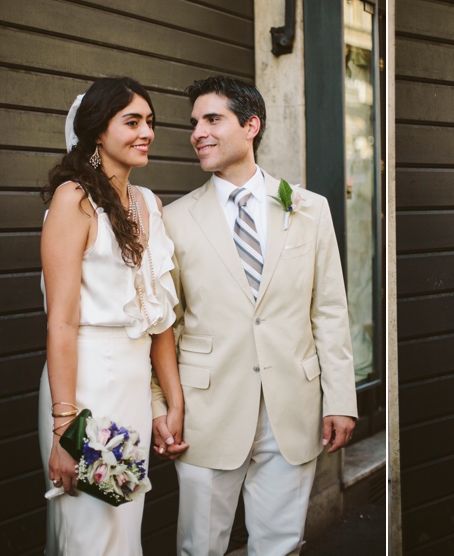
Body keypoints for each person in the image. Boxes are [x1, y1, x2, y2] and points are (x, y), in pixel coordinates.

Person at [151, 76, 358, 556]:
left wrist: (340, 398)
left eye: (212, 119)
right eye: (194, 123)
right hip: (206, 413)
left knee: (282, 546)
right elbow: (165, 325)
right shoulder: (174, 219)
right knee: (199, 547)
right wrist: (161, 406)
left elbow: (328, 310)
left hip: (293, 409)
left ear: (251, 125)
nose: (197, 132)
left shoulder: (310, 210)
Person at [38, 77, 186, 555]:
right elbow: (61, 322)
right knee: (90, 532)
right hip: (84, 387)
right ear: (98, 131)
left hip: (133, 391)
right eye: (132, 121)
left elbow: (158, 317)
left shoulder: (148, 204)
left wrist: (169, 402)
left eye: (150, 122)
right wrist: (64, 428)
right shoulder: (72, 202)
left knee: (122, 524)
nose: (146, 131)